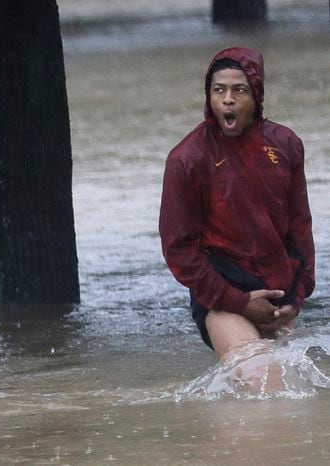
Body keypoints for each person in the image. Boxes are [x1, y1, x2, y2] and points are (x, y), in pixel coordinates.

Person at [159, 47, 315, 364]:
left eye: (238, 90)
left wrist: (297, 298)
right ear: (209, 96)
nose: (228, 99)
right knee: (259, 378)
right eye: (219, 90)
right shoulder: (187, 159)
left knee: (289, 391)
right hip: (221, 295)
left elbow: (299, 229)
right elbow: (179, 249)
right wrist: (238, 301)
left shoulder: (286, 145)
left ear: (256, 95)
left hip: (277, 295)